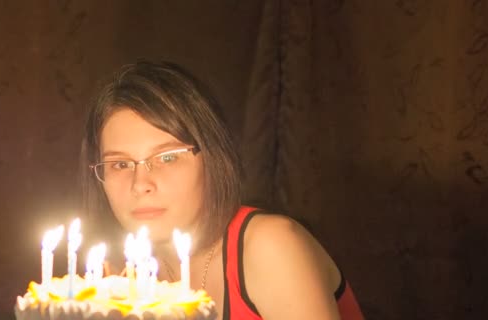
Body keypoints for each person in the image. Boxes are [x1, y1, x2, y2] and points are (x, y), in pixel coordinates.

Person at [81, 60, 364, 319]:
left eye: (167, 157)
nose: (140, 184)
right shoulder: (116, 275)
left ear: (212, 158)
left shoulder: (270, 246)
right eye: (119, 164)